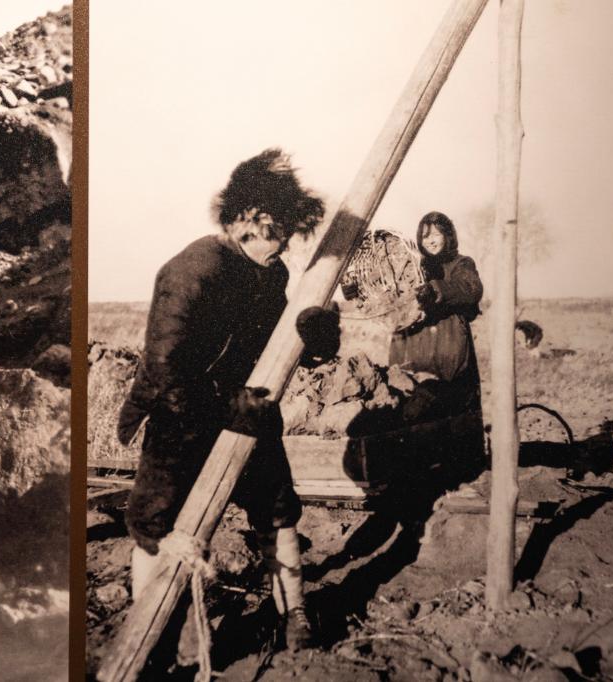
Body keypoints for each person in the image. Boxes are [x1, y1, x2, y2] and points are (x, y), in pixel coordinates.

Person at [116, 148, 338, 656]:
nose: (283, 244)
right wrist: (227, 405)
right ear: (246, 221)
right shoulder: (193, 270)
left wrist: (317, 338)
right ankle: (152, 633)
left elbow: (277, 346)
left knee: (278, 512)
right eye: (276, 232)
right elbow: (165, 371)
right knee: (157, 525)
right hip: (177, 417)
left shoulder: (271, 273)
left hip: (247, 410)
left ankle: (294, 613)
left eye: (287, 233)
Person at [389, 211, 484, 476]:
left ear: (448, 235)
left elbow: (470, 289)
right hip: (412, 345)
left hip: (449, 344)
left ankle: (462, 470)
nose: (430, 240)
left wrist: (435, 290)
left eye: (436, 234)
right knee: (411, 406)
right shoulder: (411, 266)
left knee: (453, 407)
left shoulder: (461, 264)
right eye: (424, 235)